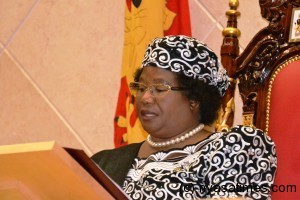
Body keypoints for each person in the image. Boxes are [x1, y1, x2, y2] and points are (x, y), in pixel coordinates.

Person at [91, 35, 277, 199]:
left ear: (194, 99)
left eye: (160, 89)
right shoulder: (104, 163)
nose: (145, 98)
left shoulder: (233, 148)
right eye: (141, 88)